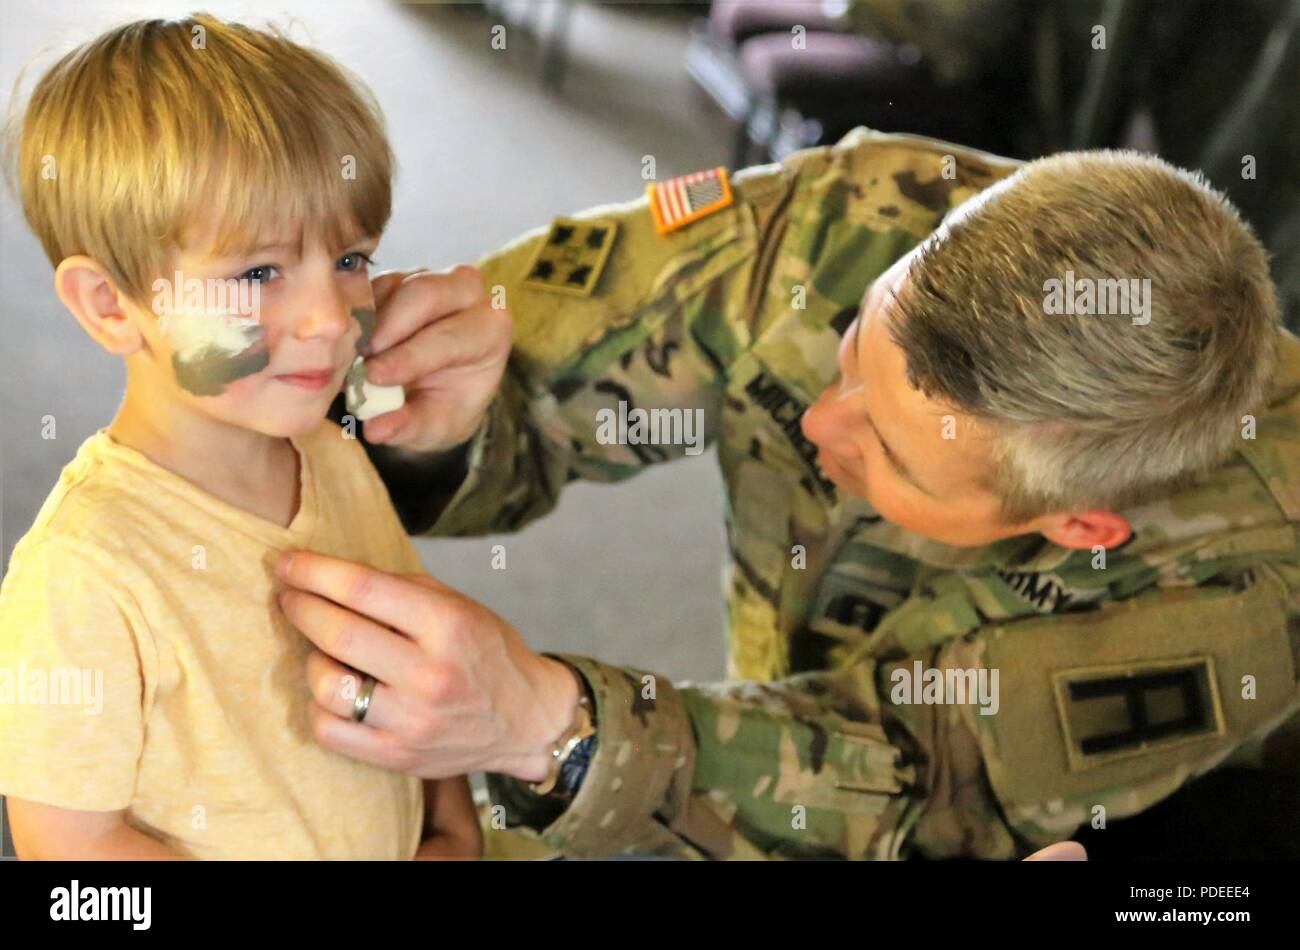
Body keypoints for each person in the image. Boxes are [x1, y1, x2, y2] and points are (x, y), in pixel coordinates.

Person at [279, 122, 1300, 861]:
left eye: (893, 454)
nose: (821, 420)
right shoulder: (845, 220)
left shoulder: (1253, 573)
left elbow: (932, 786)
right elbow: (523, 374)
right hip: (742, 727)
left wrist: (556, 727)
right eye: (854, 344)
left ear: (1079, 522)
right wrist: (444, 423)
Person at [0, 15, 480, 860]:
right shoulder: (82, 572)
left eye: (351, 259)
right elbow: (67, 855)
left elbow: (418, 655)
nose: (330, 321)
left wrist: (450, 827)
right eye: (258, 273)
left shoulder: (332, 454)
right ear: (111, 305)